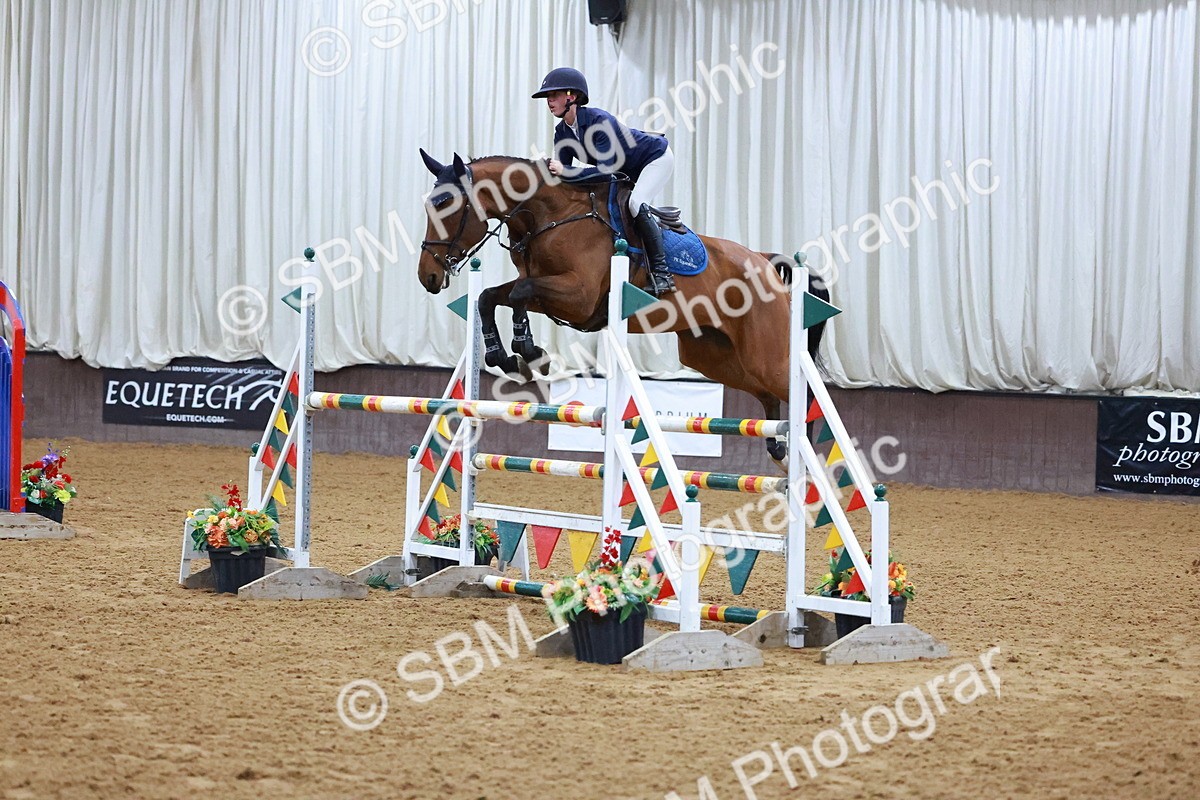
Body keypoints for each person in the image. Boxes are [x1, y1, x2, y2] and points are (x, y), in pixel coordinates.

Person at [532, 67, 676, 296]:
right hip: (623, 170)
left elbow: (605, 173)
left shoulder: (600, 122)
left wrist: (564, 170)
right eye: (548, 97)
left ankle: (662, 273)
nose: (549, 101)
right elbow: (563, 179)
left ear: (571, 96)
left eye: (554, 95)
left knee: (636, 204)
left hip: (653, 159)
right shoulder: (562, 132)